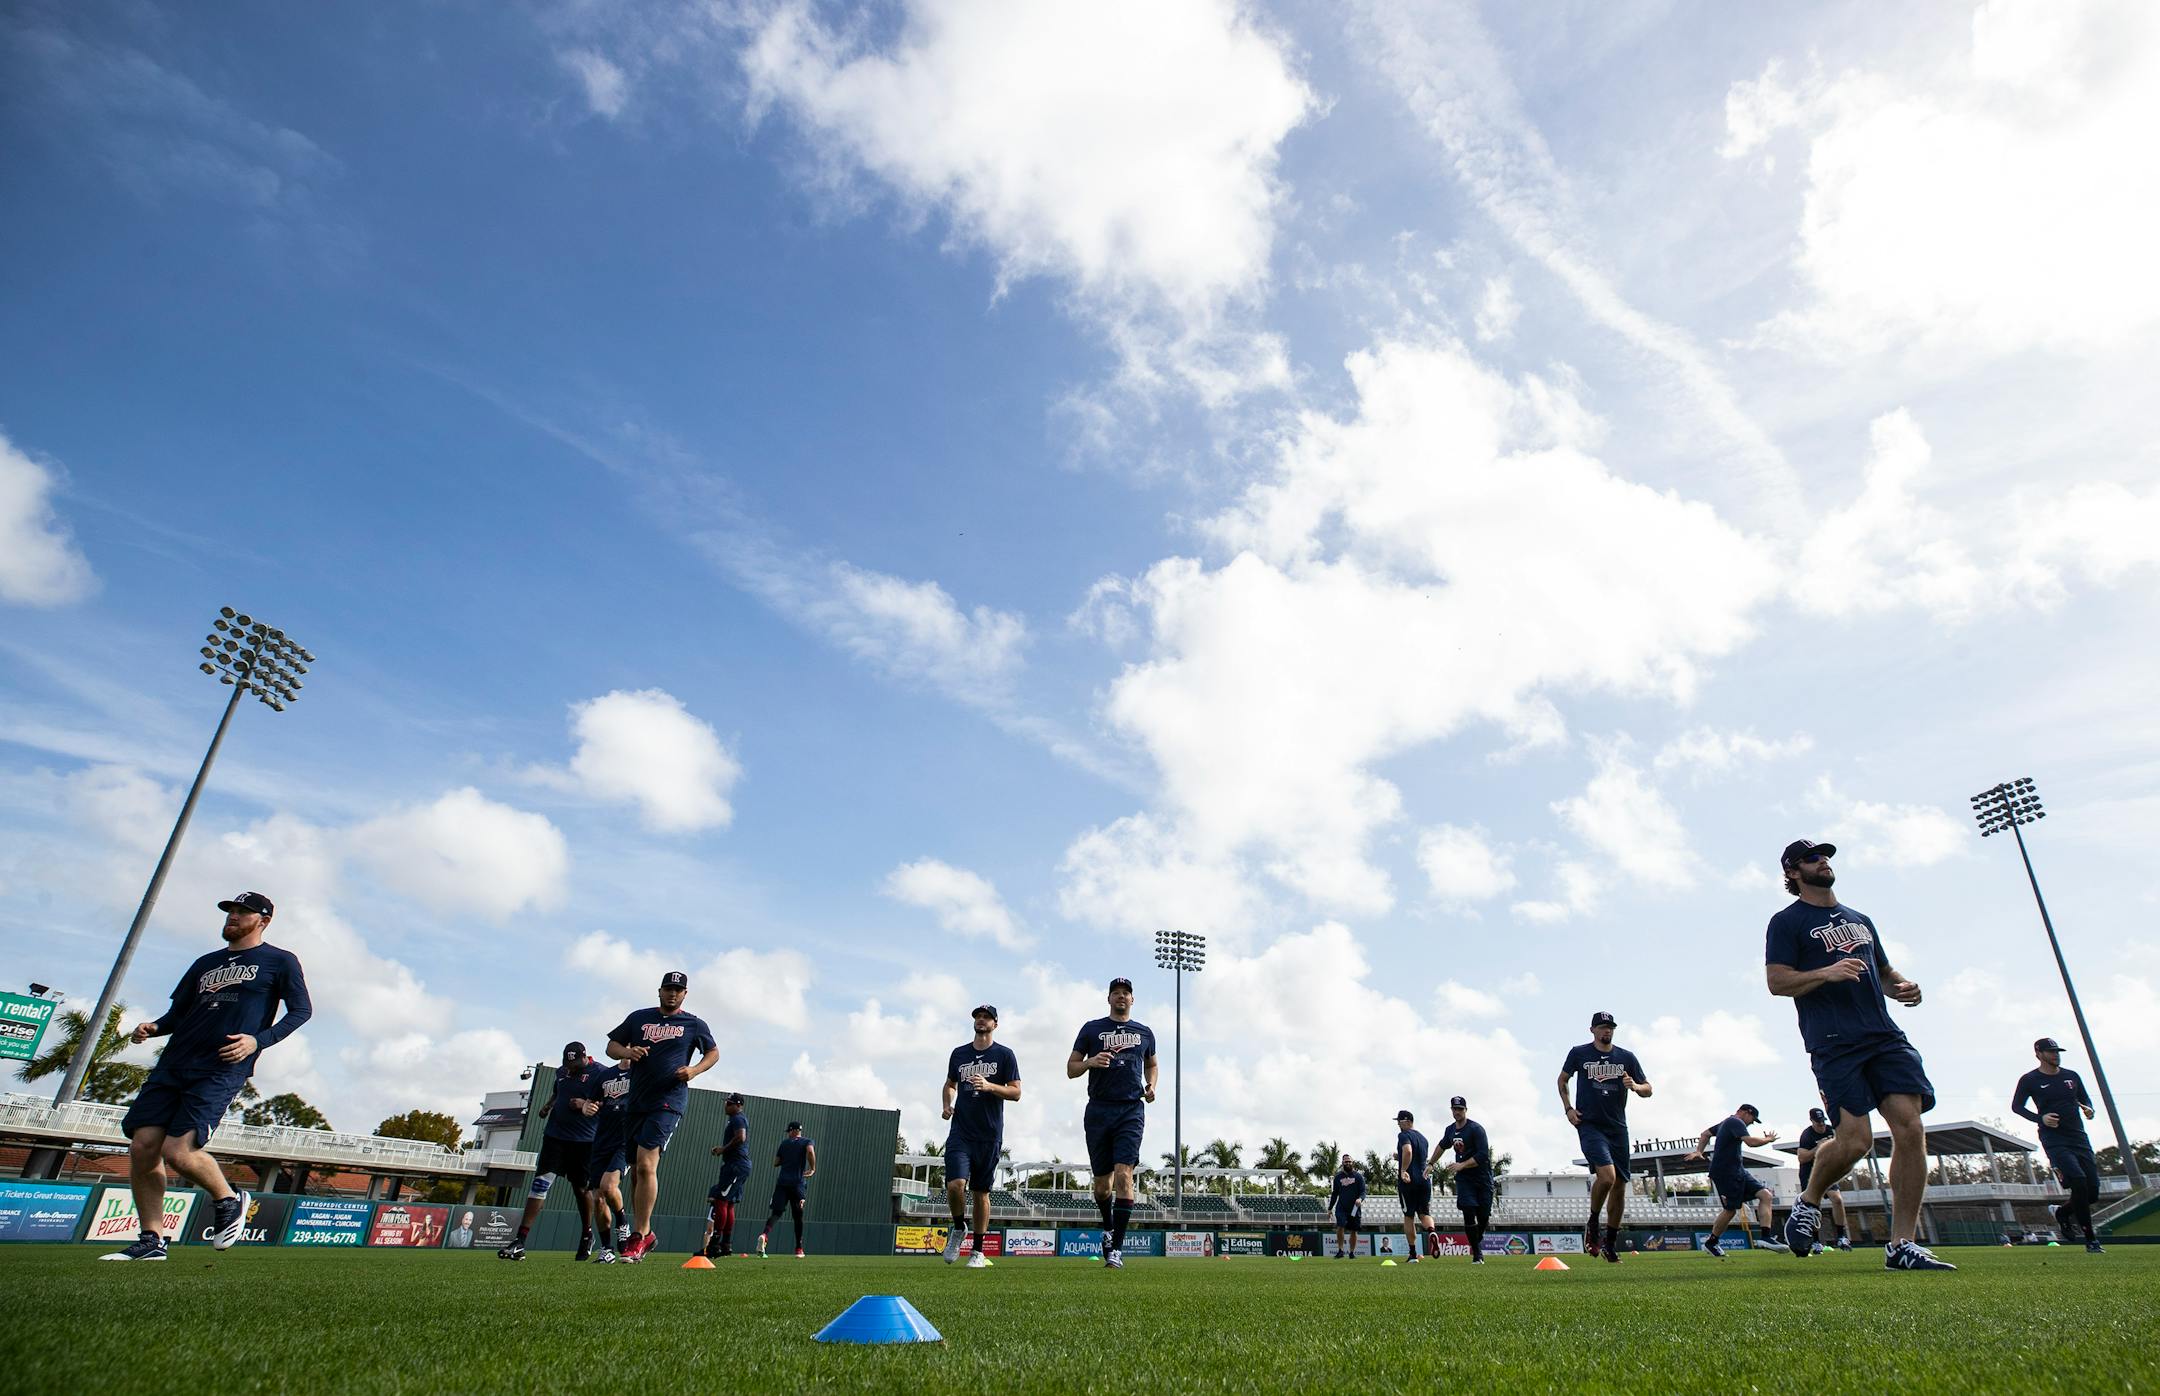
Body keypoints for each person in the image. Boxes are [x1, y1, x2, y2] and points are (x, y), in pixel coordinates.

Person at [1766, 839, 1953, 1271]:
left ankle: (1902, 1244)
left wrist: (1906, 987)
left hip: (1884, 1035)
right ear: (1793, 872)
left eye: (1825, 856)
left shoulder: (1860, 919)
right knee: (1856, 1141)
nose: (1823, 862)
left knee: (1910, 1129)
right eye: (1812, 858)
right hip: (1834, 1041)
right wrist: (1825, 973)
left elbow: (1883, 973)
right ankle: (1809, 1201)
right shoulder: (1786, 922)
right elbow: (1777, 981)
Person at [104, 891, 311, 1262]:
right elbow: (178, 1015)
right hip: (174, 1063)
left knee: (178, 1152)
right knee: (142, 1147)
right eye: (230, 910)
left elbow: (301, 1011)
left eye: (242, 912)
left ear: (263, 921)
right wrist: (153, 1027)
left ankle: (228, 1200)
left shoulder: (280, 961)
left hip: (220, 1066)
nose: (232, 916)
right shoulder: (205, 963)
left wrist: (257, 1041)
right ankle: (152, 1239)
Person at [605, 970, 719, 1263]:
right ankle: (647, 1233)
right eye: (668, 988)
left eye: (678, 990)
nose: (672, 993)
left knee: (646, 1163)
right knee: (636, 1169)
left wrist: (693, 1071)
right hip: (637, 1102)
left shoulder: (693, 1023)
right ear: (659, 991)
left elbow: (713, 1053)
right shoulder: (639, 1018)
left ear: (684, 994)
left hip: (668, 1101)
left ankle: (640, 1235)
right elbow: (611, 1047)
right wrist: (629, 1052)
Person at [1066, 976, 1157, 1270]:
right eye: (1116, 992)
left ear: (1132, 1000)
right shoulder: (1092, 1029)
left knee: (1124, 1175)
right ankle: (1108, 1227)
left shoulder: (1144, 1032)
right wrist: (1091, 1062)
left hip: (1130, 1109)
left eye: (1126, 993)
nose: (1121, 997)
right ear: (1108, 999)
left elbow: (1152, 1064)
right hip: (1098, 1110)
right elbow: (1071, 1068)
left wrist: (1151, 1085)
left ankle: (1116, 1249)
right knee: (1102, 1187)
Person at [1556, 1010, 1650, 1264]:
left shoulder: (1626, 1057)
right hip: (1589, 1124)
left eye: (1610, 1027)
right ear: (1592, 1030)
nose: (1606, 1031)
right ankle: (1593, 1221)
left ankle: (1609, 1244)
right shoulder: (1579, 1053)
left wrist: (1636, 1086)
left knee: (1620, 1185)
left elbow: (1648, 1089)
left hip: (1617, 1127)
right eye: (1602, 1027)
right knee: (1606, 1177)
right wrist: (1568, 1109)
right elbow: (1562, 1080)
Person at [498, 1042, 599, 1261]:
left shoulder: (599, 1073)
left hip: (584, 1141)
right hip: (555, 1137)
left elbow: (604, 1104)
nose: (570, 1067)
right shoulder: (562, 1072)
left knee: (581, 1190)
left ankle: (587, 1233)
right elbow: (558, 1091)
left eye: (575, 1063)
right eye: (567, 1063)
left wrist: (583, 1104)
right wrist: (548, 1105)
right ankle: (520, 1241)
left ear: (585, 1057)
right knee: (540, 1184)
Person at [941, 1004, 1021, 1269]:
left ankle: (977, 1252)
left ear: (995, 1024)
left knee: (980, 1192)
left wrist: (989, 1086)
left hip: (989, 1134)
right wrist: (947, 1105)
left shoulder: (1004, 1055)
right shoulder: (959, 1053)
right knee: (955, 1185)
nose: (981, 1020)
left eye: (986, 1017)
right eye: (978, 1017)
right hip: (961, 1131)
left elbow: (1016, 1092)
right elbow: (950, 1084)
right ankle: (957, 1227)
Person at [2013, 1036, 2103, 1254]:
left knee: (2092, 1193)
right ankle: (2091, 1240)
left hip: (2079, 1137)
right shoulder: (2030, 1079)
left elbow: (2085, 1099)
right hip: (2054, 1140)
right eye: (2051, 1052)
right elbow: (2017, 1107)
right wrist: (2040, 1119)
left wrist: (2089, 1109)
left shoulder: (2072, 1076)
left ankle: (2062, 1213)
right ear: (2039, 1054)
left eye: (2057, 1051)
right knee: (2079, 1181)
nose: (2056, 1055)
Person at [1688, 1103, 1782, 1258]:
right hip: (1725, 1172)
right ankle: (1711, 1242)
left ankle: (1766, 1237)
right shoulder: (1735, 1122)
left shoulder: (1726, 1122)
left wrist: (1699, 1151)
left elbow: (1705, 1134)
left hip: (1739, 1170)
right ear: (1745, 1112)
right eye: (1753, 1119)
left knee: (1766, 1196)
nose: (1752, 1122)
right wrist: (1768, 1139)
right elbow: (1750, 1142)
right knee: (1730, 1209)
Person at [583, 1058, 632, 1262]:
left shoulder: (641, 1073)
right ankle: (607, 1249)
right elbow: (590, 1102)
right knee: (597, 1197)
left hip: (625, 1139)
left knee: (609, 1186)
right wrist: (587, 1108)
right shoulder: (605, 1075)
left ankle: (623, 1224)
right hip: (602, 1140)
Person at [1436, 1096, 1492, 1265]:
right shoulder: (1450, 1130)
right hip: (1465, 1180)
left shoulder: (1476, 1129)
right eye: (1454, 1109)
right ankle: (1477, 1254)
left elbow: (1483, 1155)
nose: (1457, 1112)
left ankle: (1477, 1238)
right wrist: (1431, 1163)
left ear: (1466, 1110)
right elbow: (1442, 1145)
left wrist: (1462, 1165)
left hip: (1482, 1178)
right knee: (1468, 1211)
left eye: (1460, 1109)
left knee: (1483, 1217)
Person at [1793, 1102, 1853, 1251]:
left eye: (1822, 1122)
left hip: (1828, 1171)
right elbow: (1802, 1157)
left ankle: (1841, 1236)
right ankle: (1815, 1241)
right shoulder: (1807, 1135)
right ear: (1812, 1121)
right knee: (1814, 1206)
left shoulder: (1831, 1131)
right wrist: (1818, 1147)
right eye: (1818, 1123)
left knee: (1837, 1199)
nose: (1821, 1125)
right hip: (1810, 1174)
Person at [758, 1122, 818, 1258]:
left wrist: (787, 1160)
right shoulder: (807, 1141)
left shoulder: (784, 1143)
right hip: (797, 1183)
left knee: (776, 1212)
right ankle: (799, 1248)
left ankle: (764, 1234)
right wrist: (812, 1168)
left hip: (782, 1183)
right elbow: (810, 1151)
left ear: (792, 1131)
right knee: (798, 1217)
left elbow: (776, 1163)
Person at [705, 1092, 752, 1258]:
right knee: (729, 1203)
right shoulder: (735, 1119)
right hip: (739, 1165)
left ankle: (715, 1244)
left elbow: (741, 1137)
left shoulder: (738, 1118)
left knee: (721, 1201)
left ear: (738, 1105)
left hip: (735, 1166)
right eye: (726, 1102)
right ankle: (726, 1244)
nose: (726, 1105)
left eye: (730, 1103)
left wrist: (723, 1149)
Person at [1393, 1110, 1440, 1263]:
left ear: (1406, 1121)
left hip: (1409, 1182)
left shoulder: (1403, 1135)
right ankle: (1431, 1231)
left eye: (1399, 1121)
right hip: (1424, 1180)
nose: (1398, 1124)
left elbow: (1408, 1151)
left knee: (1408, 1216)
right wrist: (1399, 1157)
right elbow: (1415, 1156)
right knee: (1424, 1213)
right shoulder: (1423, 1138)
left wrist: (1403, 1170)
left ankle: (1413, 1254)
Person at [1327, 1157, 1365, 1258]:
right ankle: (1340, 1250)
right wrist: (1330, 1208)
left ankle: (1352, 1252)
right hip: (1341, 1207)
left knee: (1353, 1230)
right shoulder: (1338, 1177)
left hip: (1354, 1208)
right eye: (1346, 1162)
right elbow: (1335, 1194)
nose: (1348, 1163)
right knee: (1340, 1226)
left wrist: (1360, 1199)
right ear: (1342, 1163)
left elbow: (1363, 1192)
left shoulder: (1358, 1177)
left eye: (1349, 1161)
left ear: (1352, 1163)